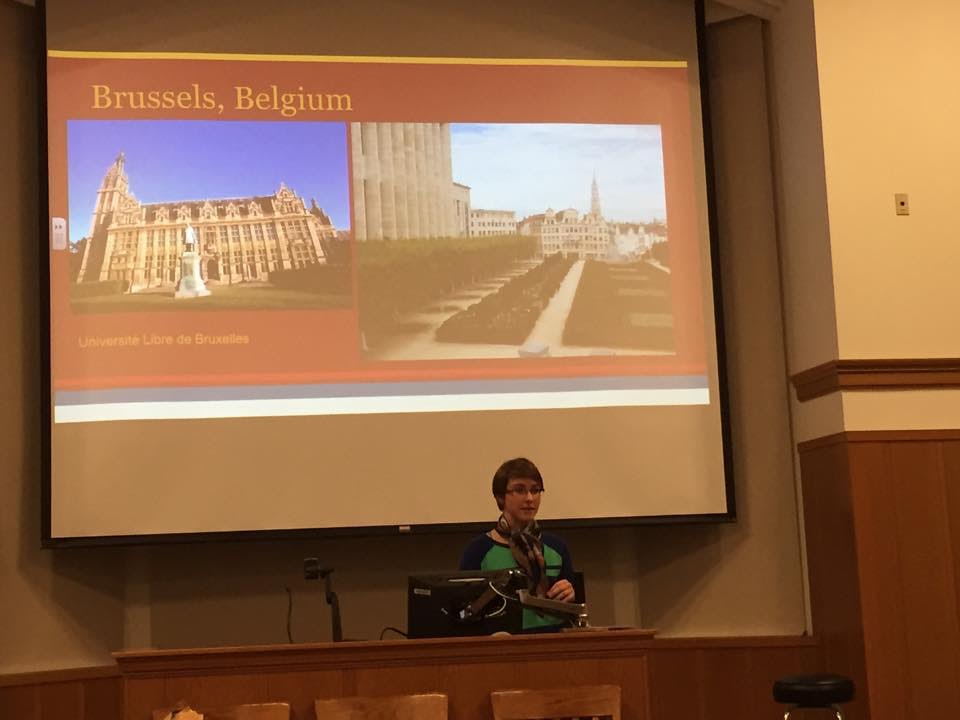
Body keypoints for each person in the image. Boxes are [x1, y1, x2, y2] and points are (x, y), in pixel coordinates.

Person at [459, 457, 576, 631]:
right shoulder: (478, 550)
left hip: (554, 640)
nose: (530, 498)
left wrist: (570, 594)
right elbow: (465, 613)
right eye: (520, 490)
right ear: (500, 497)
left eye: (535, 490)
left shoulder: (556, 547)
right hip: (501, 645)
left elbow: (574, 608)